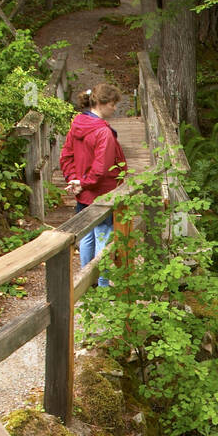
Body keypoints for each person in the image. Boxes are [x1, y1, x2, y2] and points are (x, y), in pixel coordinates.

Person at [59, 83, 127, 286]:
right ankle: (103, 284)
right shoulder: (103, 132)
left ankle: (87, 282)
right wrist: (85, 182)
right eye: (113, 104)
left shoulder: (78, 123)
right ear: (103, 103)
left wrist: (75, 180)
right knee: (104, 237)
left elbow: (66, 156)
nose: (115, 109)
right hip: (102, 192)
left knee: (87, 235)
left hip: (84, 192)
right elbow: (101, 167)